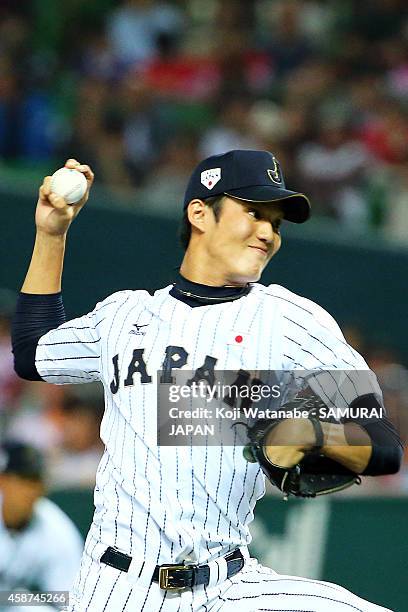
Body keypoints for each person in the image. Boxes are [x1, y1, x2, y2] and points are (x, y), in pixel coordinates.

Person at [11, 151, 402, 611]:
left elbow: (383, 444)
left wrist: (316, 434)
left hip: (229, 585)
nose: (267, 233)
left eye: (276, 223)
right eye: (254, 212)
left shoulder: (290, 320)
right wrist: (51, 233)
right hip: (118, 587)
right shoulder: (126, 315)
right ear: (199, 212)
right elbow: (33, 352)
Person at [0, 441, 83, 610]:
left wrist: (18, 597)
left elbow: (70, 599)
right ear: (3, 481)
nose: (29, 490)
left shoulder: (56, 529)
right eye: (22, 479)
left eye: (35, 480)